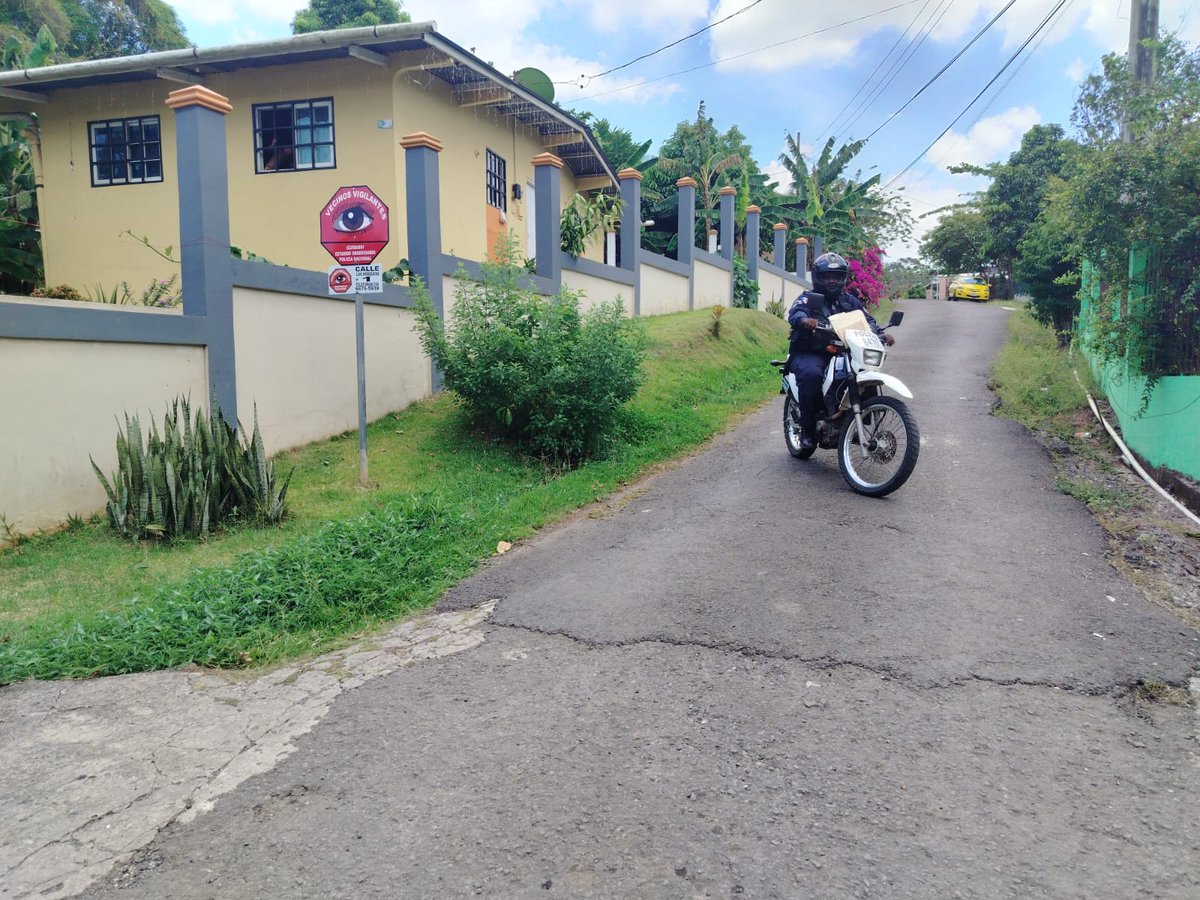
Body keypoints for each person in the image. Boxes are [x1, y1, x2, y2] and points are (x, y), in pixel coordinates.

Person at [786, 251, 895, 450]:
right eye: (828, 276)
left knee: (862, 372)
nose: (832, 281)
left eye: (836, 276)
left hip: (843, 351)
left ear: (843, 278)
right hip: (812, 351)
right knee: (811, 375)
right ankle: (808, 431)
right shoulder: (808, 298)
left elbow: (865, 320)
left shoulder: (849, 301)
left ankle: (853, 421)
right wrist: (804, 320)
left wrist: (880, 333)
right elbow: (796, 313)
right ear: (819, 278)